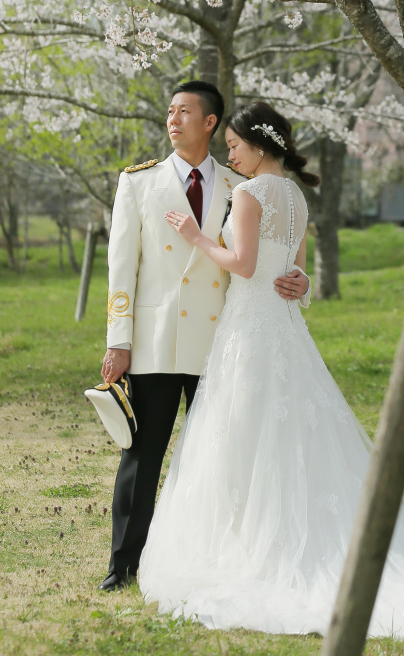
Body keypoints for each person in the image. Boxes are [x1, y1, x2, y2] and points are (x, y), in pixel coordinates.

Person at [138, 100, 404, 638]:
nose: (229, 155)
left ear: (259, 146)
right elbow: (295, 269)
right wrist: (301, 282)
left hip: (251, 327)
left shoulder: (251, 193)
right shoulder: (296, 197)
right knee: (280, 431)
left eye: (234, 146)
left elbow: (246, 264)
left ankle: (251, 542)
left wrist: (194, 236)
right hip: (281, 326)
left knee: (244, 430)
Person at [98, 81, 311, 592]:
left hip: (223, 342)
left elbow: (272, 254)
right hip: (155, 339)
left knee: (227, 455)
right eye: (168, 111)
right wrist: (118, 339)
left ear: (211, 122)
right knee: (141, 456)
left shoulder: (240, 182)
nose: (172, 120)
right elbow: (121, 268)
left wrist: (303, 281)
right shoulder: (138, 182)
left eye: (184, 112)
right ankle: (123, 564)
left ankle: (225, 557)